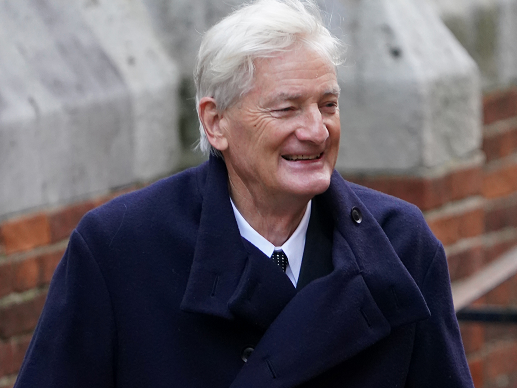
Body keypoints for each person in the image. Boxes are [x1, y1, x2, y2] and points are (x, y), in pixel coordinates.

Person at [14, 0, 474, 387]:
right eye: (287, 108)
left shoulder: (400, 245)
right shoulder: (119, 248)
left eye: (327, 104)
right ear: (216, 123)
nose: (316, 130)